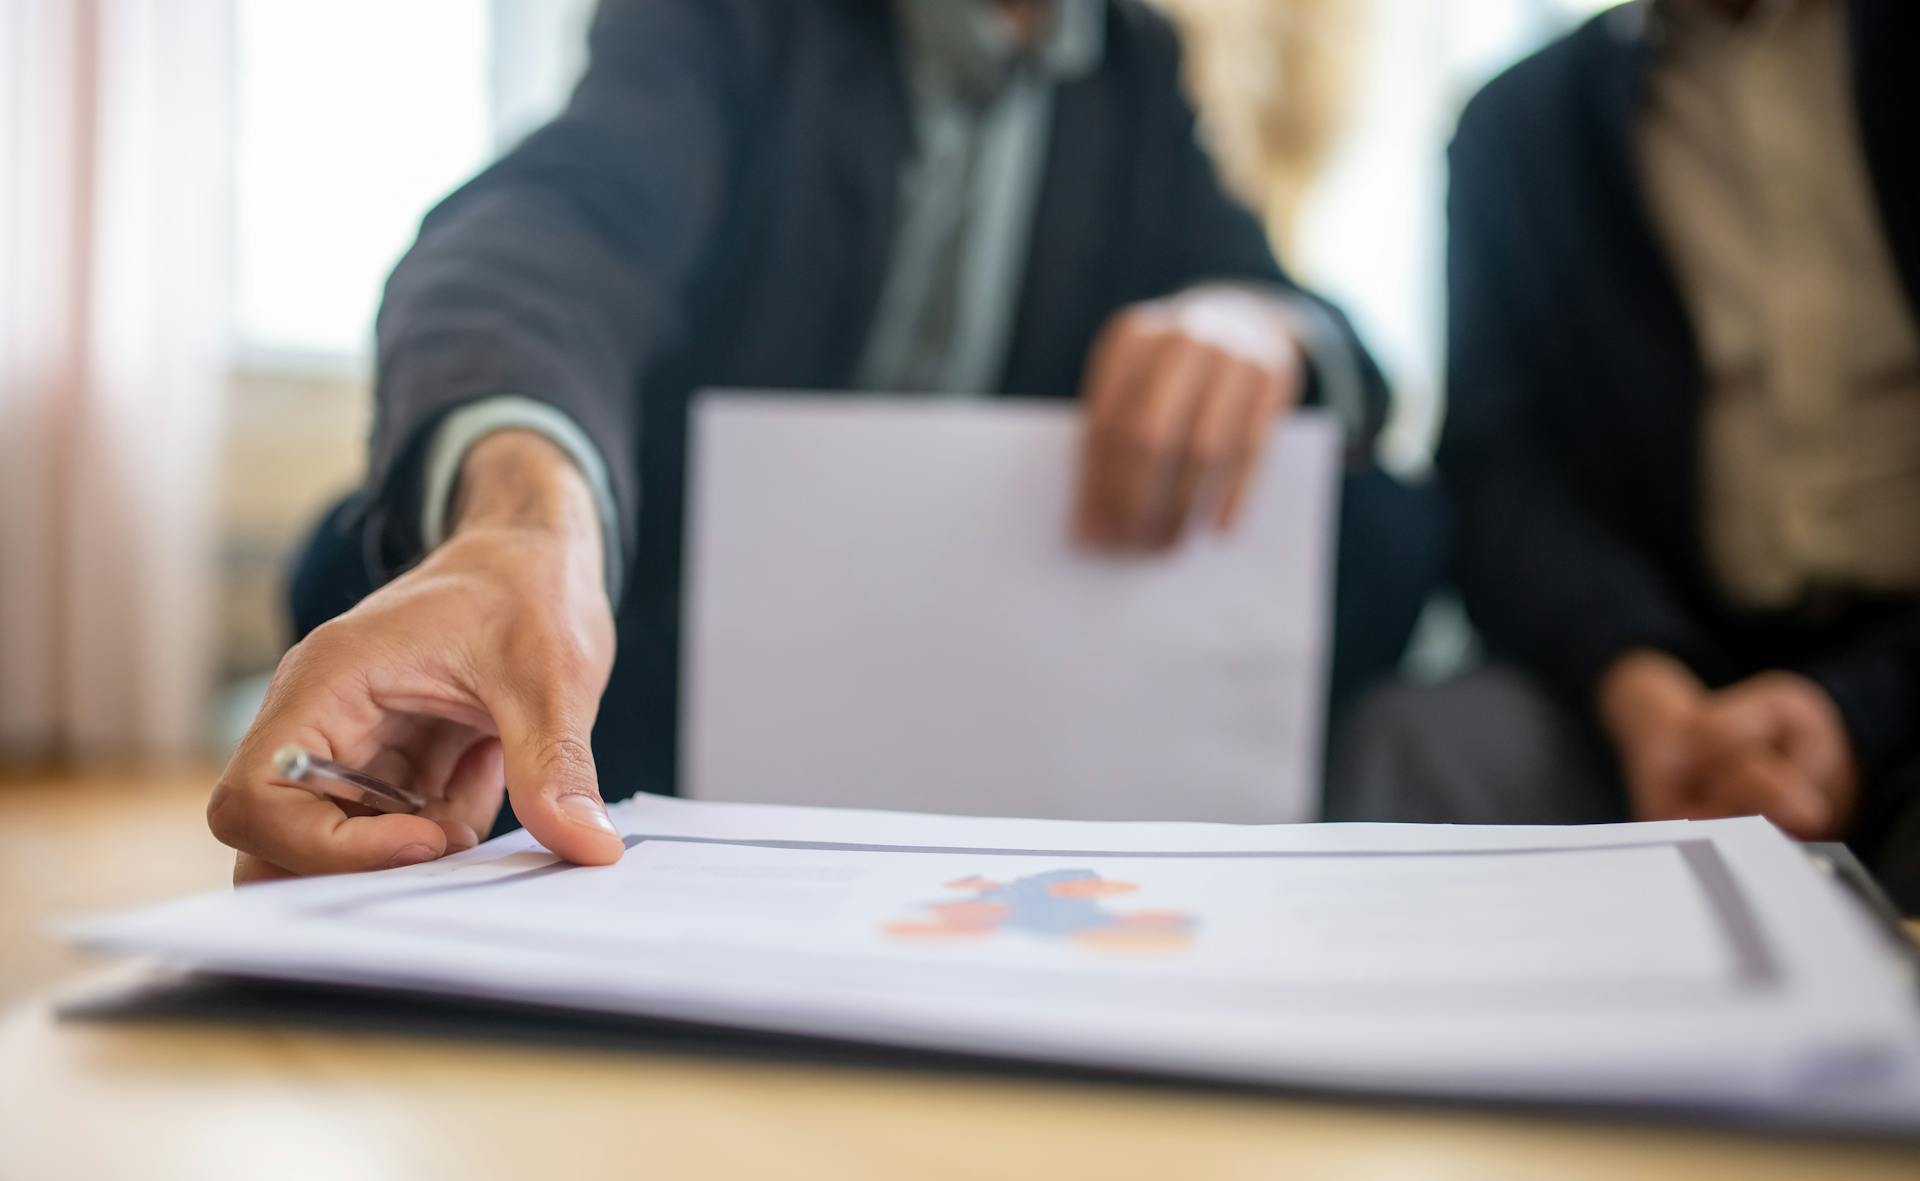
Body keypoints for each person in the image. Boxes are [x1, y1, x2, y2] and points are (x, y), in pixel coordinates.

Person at [211, 0, 1428, 883]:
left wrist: (1254, 320)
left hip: (994, 633)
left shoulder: (1131, 61)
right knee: (362, 561)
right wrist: (526, 520)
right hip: (698, 611)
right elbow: (553, 230)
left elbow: (1315, 327)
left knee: (1391, 530)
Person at [1328, 0, 1920, 908]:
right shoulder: (1516, 130)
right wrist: (1641, 692)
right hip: (1661, 679)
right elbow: (1501, 478)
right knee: (1424, 747)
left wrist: (1863, 709)